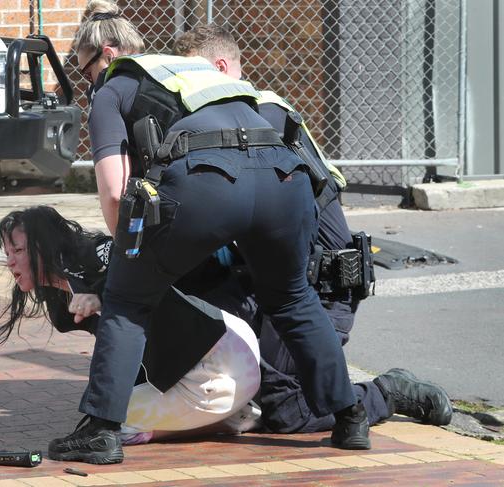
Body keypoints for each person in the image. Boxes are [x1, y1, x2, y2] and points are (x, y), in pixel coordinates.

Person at [61, 0, 372, 464]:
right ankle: (350, 417)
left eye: (85, 71)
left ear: (105, 57)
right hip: (282, 180)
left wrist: (131, 257)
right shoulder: (199, 77)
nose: (88, 82)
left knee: (128, 299)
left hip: (207, 179)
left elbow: (113, 191)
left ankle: (101, 431)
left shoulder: (113, 87)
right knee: (290, 299)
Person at [172, 24, 453, 433]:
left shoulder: (260, 119)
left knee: (287, 411)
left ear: (218, 68)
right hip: (272, 280)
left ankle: (387, 392)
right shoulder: (238, 117)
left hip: (319, 289)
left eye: (189, 77)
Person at [0, 205, 263, 453]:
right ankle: (226, 413)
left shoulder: (95, 253)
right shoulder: (60, 296)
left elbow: (129, 269)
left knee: (113, 425)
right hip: (208, 355)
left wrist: (101, 295)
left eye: (18, 250)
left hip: (222, 357)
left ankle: (231, 420)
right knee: (98, 412)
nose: (10, 261)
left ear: (44, 246)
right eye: (7, 252)